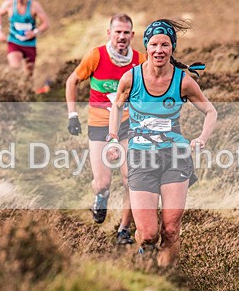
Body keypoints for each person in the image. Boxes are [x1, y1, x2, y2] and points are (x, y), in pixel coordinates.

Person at [106, 19, 217, 267]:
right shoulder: (131, 78)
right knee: (148, 234)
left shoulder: (184, 82)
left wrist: (201, 138)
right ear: (146, 46)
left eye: (165, 44)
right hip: (141, 156)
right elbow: (117, 106)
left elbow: (211, 112)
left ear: (172, 48)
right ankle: (144, 253)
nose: (159, 50)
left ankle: (167, 277)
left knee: (170, 230)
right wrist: (113, 137)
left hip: (175, 157)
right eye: (154, 44)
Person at [66, 13, 145, 245]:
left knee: (131, 178)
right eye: (117, 32)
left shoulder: (140, 60)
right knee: (102, 182)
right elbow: (71, 81)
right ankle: (101, 198)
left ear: (132, 35)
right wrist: (72, 115)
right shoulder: (96, 56)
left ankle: (123, 229)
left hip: (128, 124)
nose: (121, 36)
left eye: (126, 32)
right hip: (100, 124)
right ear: (109, 33)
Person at [0, 0, 50, 89]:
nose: (20, 0)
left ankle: (27, 92)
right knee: (15, 68)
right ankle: (14, 91)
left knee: (29, 73)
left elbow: (46, 23)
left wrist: (35, 32)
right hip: (14, 41)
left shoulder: (34, 6)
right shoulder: (9, 4)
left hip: (29, 44)